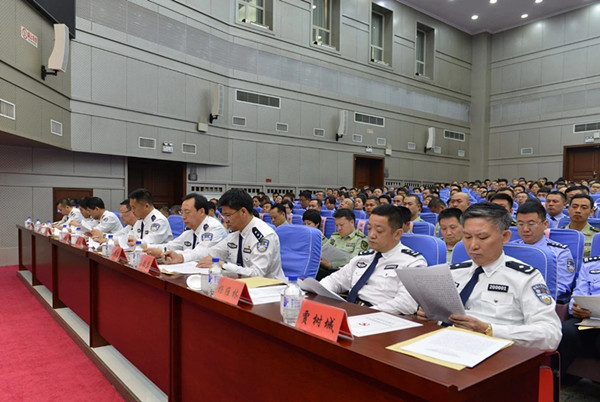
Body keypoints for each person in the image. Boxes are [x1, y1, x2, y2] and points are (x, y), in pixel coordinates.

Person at [419, 203, 561, 351]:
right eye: (467, 237)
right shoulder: (452, 272)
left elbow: (551, 335)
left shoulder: (525, 277)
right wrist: (431, 317)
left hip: (497, 353)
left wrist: (489, 330)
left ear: (505, 236)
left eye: (482, 237)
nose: (473, 245)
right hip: (445, 345)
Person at [320, 204, 427, 315]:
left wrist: (365, 313)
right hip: (350, 311)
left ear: (397, 234)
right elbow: (334, 281)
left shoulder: (412, 262)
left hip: (379, 316)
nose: (371, 235)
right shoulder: (363, 257)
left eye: (379, 231)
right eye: (369, 228)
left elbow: (406, 303)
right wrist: (318, 291)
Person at [179, 189, 284, 279]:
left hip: (269, 289)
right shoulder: (235, 233)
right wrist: (181, 257)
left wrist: (223, 265)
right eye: (224, 216)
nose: (226, 220)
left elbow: (257, 274)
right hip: (240, 285)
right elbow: (210, 253)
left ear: (243, 212)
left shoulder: (264, 236)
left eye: (228, 215)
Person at [511, 199, 575, 303]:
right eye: (520, 224)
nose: (525, 229)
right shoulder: (511, 248)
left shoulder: (559, 252)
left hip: (540, 303)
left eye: (531, 224)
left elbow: (561, 286)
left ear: (545, 224)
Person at [146, 193, 227, 262]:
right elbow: (171, 246)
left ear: (201, 211)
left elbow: (201, 253)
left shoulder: (214, 228)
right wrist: (146, 247)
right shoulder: (190, 230)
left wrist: (180, 257)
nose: (183, 217)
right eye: (182, 212)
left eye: (187, 212)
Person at [558, 256, 600, 383]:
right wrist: (575, 307)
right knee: (566, 331)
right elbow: (578, 294)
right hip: (590, 317)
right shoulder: (590, 265)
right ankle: (558, 380)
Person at [319, 209, 368, 277]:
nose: (339, 228)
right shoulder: (335, 236)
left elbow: (355, 260)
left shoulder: (361, 239)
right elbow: (324, 249)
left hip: (345, 274)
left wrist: (331, 264)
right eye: (337, 225)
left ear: (352, 222)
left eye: (341, 225)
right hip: (325, 271)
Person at [561, 194, 599, 258]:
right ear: (568, 209)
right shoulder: (559, 234)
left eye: (584, 208)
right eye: (574, 207)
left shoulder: (597, 236)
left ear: (591, 212)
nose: (578, 211)